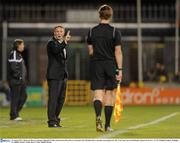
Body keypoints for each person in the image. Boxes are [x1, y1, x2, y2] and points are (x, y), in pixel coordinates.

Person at [87, 4, 123, 132]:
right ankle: (107, 125)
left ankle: (98, 117)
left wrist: (98, 53)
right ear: (110, 15)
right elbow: (118, 52)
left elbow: (90, 51)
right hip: (110, 64)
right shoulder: (114, 31)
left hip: (96, 64)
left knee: (98, 93)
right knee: (110, 94)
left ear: (99, 14)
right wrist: (120, 70)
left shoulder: (92, 31)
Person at [46, 25, 71, 128]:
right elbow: (56, 51)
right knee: (53, 99)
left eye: (61, 31)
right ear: (54, 33)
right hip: (54, 76)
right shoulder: (51, 43)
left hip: (62, 76)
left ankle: (55, 119)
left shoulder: (62, 44)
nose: (59, 33)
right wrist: (65, 42)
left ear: (63, 33)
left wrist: (64, 43)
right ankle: (52, 121)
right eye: (57, 31)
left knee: (61, 99)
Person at [7, 39, 27, 121]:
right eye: (22, 44)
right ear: (17, 45)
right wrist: (19, 77)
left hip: (20, 80)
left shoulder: (18, 54)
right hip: (16, 80)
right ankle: (14, 115)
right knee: (16, 98)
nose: (23, 46)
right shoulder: (14, 54)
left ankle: (14, 113)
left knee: (23, 97)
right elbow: (13, 67)